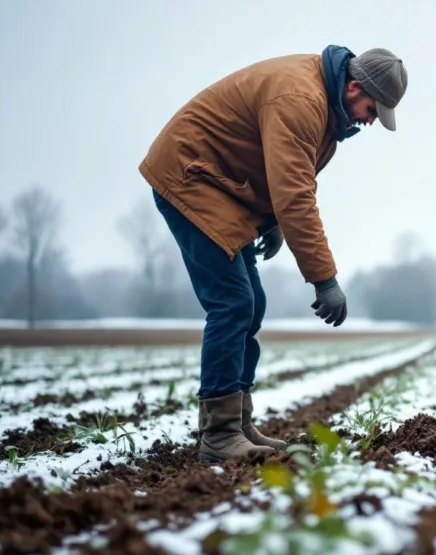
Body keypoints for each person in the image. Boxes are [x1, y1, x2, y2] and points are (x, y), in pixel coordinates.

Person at [138, 44, 408, 464]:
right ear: (355, 86)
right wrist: (325, 279)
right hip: (191, 176)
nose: (371, 121)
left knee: (253, 303)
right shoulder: (301, 99)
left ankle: (238, 423)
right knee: (232, 302)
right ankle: (219, 435)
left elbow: (282, 173)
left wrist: (274, 222)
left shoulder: (323, 106)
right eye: (373, 109)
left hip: (226, 188)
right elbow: (295, 194)